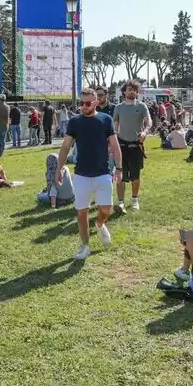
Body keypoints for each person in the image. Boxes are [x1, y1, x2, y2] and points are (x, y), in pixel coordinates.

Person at [56, 88, 122, 261]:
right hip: (82, 175)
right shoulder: (75, 122)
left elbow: (115, 146)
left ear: (95, 102)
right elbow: (65, 147)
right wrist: (59, 169)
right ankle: (85, 245)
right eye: (81, 103)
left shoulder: (105, 119)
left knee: (105, 209)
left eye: (87, 103)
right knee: (81, 212)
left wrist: (120, 168)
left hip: (103, 173)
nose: (83, 107)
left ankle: (100, 224)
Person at [113, 80, 151, 213]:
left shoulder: (142, 106)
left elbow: (148, 122)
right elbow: (114, 127)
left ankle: (134, 200)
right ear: (124, 92)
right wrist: (112, 142)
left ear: (137, 92)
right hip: (121, 146)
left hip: (136, 146)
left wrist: (145, 132)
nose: (132, 91)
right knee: (120, 175)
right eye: (129, 89)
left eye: (134, 89)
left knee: (136, 176)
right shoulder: (118, 107)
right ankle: (121, 202)